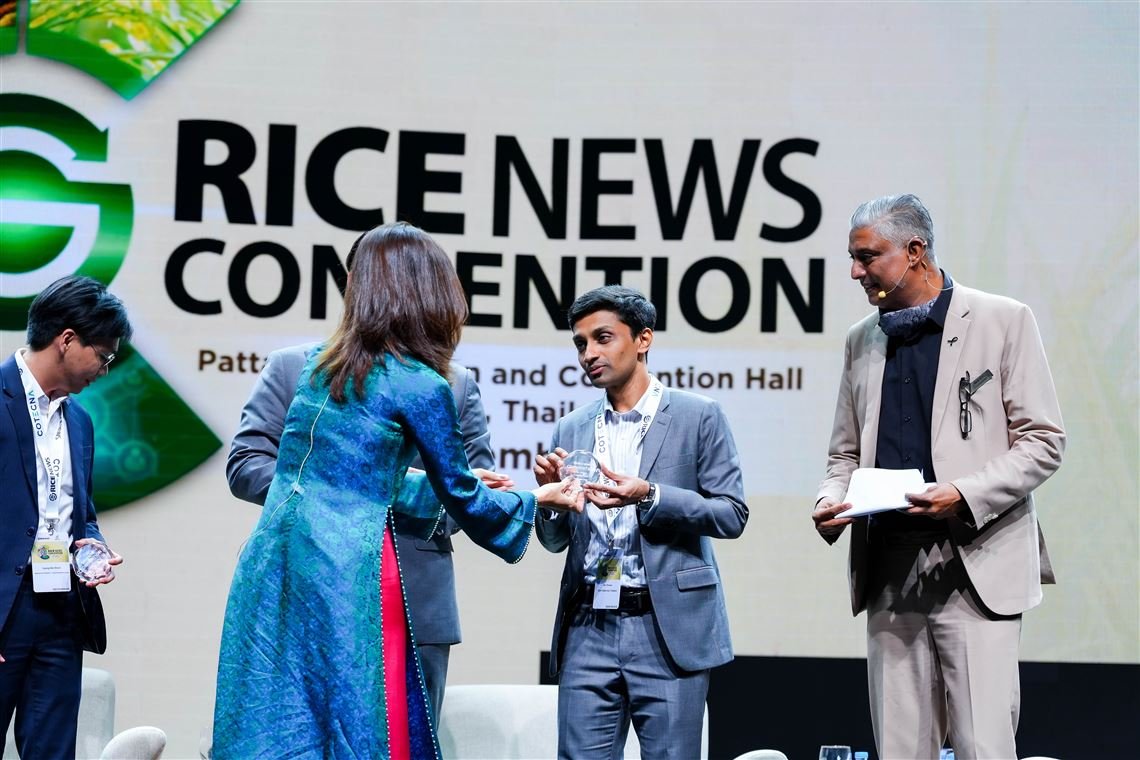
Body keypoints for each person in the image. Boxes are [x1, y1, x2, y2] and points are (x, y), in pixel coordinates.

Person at [212, 222, 581, 760]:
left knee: (282, 736)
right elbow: (462, 494)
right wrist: (535, 498)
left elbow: (335, 478)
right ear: (432, 293)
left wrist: (358, 493)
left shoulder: (321, 371)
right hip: (344, 583)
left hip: (297, 575)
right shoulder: (408, 381)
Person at [813, 194, 1065, 760]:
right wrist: (831, 499)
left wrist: (963, 494)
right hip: (889, 570)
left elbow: (1044, 441)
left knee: (983, 746)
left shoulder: (1002, 320)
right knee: (900, 749)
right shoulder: (862, 339)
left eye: (867, 257)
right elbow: (843, 454)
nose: (855, 272)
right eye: (853, 258)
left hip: (975, 564)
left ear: (915, 251)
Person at [226, 234, 502, 728]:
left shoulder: (453, 384)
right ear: (354, 281)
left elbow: (470, 493)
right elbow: (247, 465)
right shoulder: (297, 368)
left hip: (413, 597)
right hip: (308, 587)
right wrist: (340, 493)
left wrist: (399, 492)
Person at [533, 285, 748, 760]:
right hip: (588, 623)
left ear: (643, 339)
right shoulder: (571, 426)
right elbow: (554, 540)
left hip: (666, 627)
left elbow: (732, 514)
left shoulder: (698, 415)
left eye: (603, 338)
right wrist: (549, 503)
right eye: (581, 343)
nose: (589, 354)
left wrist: (650, 495)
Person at [0, 275, 129, 760]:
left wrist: (91, 547)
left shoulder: (80, 421)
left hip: (60, 609)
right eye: (104, 356)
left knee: (54, 752)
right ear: (68, 339)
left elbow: (81, 513)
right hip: (4, 608)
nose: (105, 370)